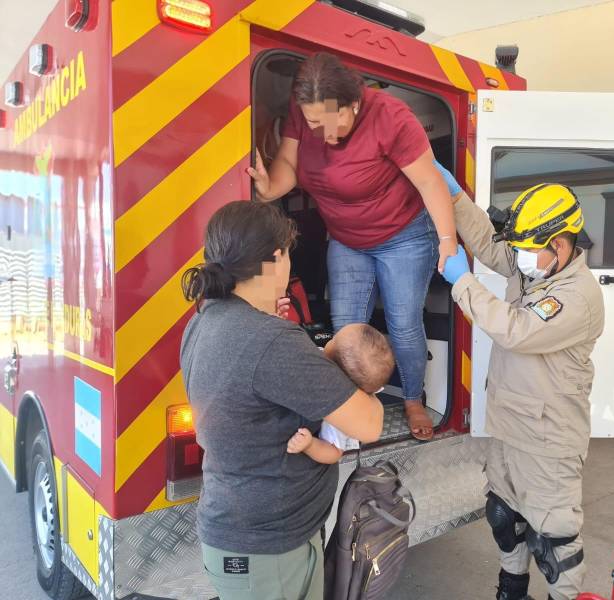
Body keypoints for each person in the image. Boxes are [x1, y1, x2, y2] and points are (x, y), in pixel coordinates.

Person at [179, 200, 384, 600]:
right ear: (276, 258)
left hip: (242, 530)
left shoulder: (204, 320)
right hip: (268, 547)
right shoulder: (272, 342)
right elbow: (370, 424)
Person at [248, 52, 456, 440]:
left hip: (404, 236)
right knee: (346, 330)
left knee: (403, 322)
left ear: (354, 103)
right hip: (346, 239)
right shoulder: (304, 113)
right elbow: (289, 167)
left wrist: (447, 242)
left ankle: (412, 399)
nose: (323, 133)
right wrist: (267, 187)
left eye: (332, 122)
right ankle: (349, 407)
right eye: (313, 123)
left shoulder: (390, 118)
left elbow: (430, 182)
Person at [437, 163, 605, 600]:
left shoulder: (576, 295)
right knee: (505, 516)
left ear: (561, 244)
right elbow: (493, 247)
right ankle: (511, 590)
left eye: (530, 251)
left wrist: (463, 282)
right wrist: (456, 199)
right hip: (511, 426)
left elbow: (516, 329)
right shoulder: (539, 269)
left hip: (548, 440)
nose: (521, 259)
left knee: (555, 542)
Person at [287, 323, 395, 463]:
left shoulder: (341, 410)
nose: (329, 339)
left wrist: (309, 445)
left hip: (312, 447)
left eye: (333, 340)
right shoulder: (363, 379)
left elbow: (334, 453)